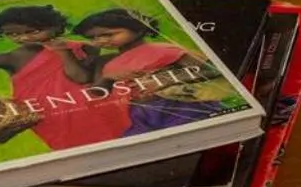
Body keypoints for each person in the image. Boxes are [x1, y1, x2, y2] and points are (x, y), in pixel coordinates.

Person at [0, 4, 128, 150]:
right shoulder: (5, 59)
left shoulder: (83, 47)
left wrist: (63, 53)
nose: (23, 38)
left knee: (121, 142)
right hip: (49, 118)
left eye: (33, 31)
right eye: (13, 34)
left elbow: (81, 78)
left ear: (56, 28)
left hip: (94, 108)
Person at [73, 8, 240, 136]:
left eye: (109, 34)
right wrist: (107, 78)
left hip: (180, 106)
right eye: (93, 38)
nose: (101, 41)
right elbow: (97, 93)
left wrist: (164, 79)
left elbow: (211, 70)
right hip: (138, 113)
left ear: (138, 29)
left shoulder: (163, 50)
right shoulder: (108, 62)